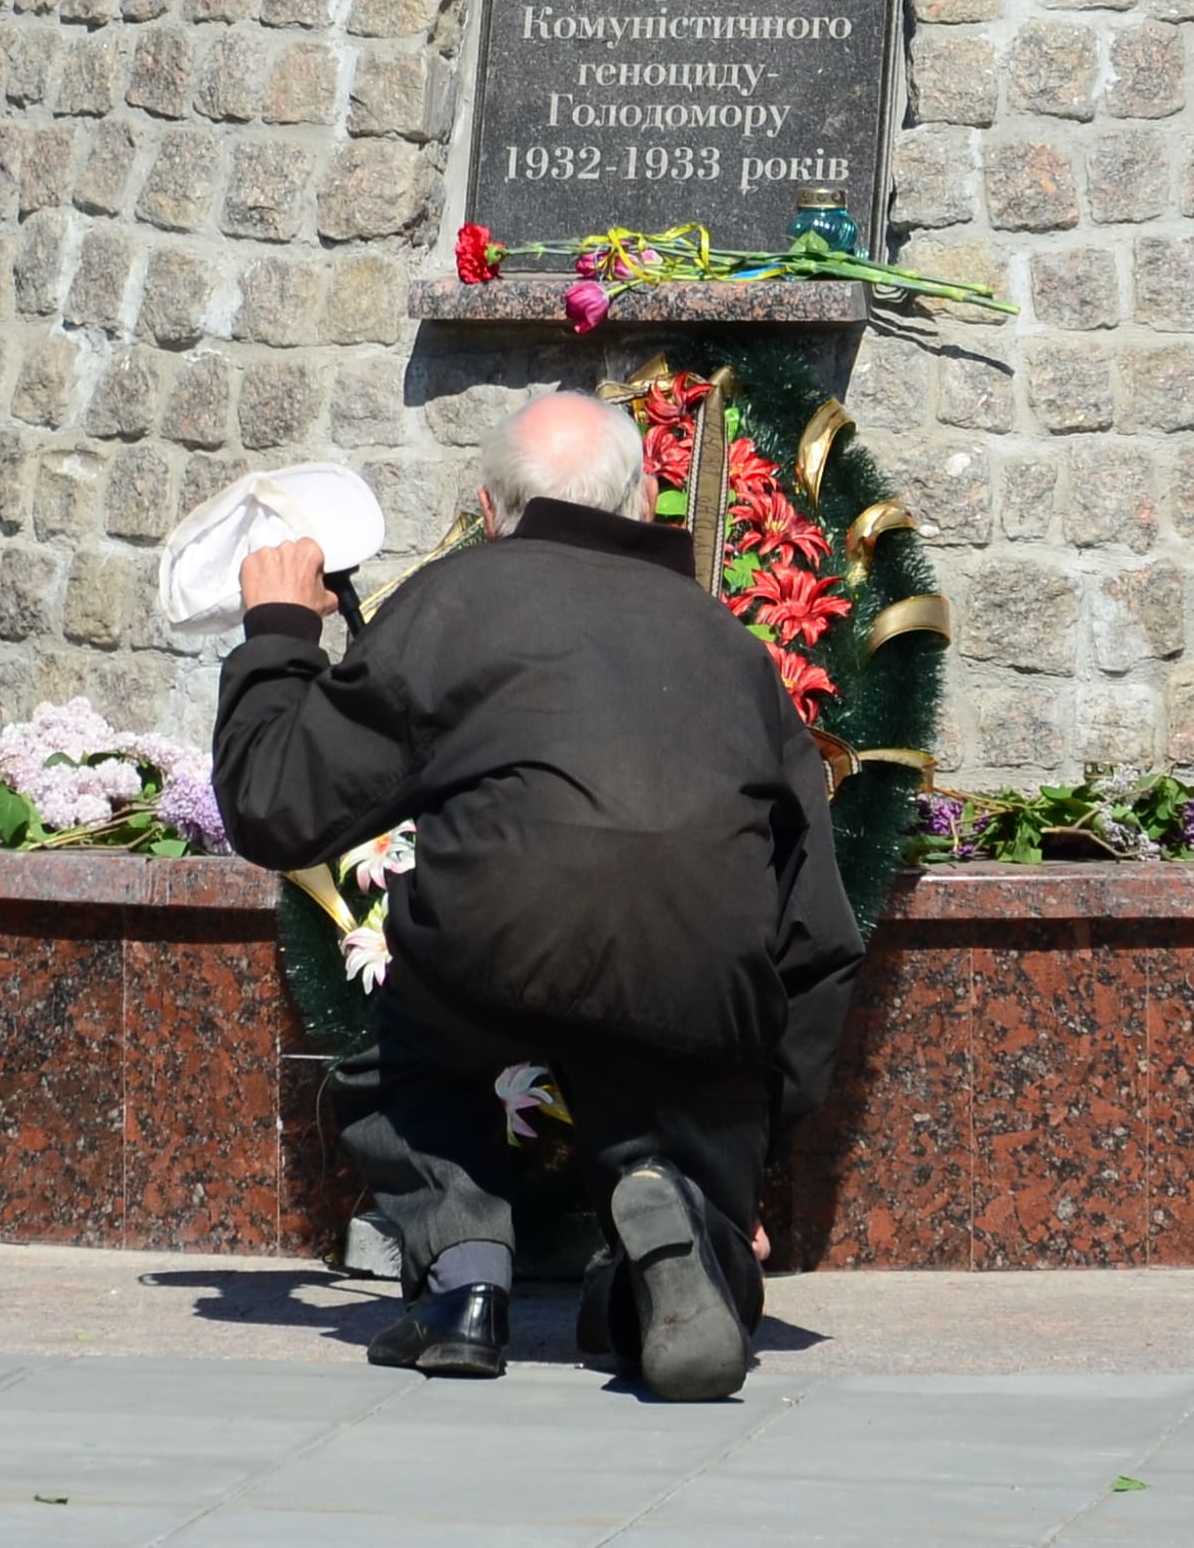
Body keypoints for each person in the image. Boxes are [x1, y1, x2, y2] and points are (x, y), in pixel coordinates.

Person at [213, 387, 863, 1396]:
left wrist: (279, 630)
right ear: (643, 503)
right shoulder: (729, 646)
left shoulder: (455, 601)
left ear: (487, 509)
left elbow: (275, 808)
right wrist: (750, 1139)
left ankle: (465, 1283)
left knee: (412, 1061)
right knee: (683, 1092)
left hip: (492, 946)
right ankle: (684, 1216)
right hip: (700, 975)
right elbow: (814, 928)